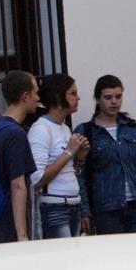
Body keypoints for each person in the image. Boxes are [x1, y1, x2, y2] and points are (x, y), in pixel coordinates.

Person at [76, 75, 136, 234]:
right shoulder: (86, 131)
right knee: (114, 256)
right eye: (108, 97)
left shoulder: (132, 129)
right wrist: (84, 210)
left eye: (118, 97)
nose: (114, 102)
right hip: (106, 210)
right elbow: (80, 175)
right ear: (98, 99)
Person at [0, 70, 39, 244]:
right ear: (25, 96)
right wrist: (22, 235)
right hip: (8, 222)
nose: (37, 97)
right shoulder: (15, 134)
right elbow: (17, 184)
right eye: (35, 92)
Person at [28, 73, 90, 239]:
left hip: (73, 203)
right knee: (63, 260)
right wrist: (69, 151)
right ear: (58, 97)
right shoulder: (40, 129)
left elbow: (70, 171)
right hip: (55, 207)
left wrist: (80, 157)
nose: (78, 97)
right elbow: (38, 178)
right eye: (73, 93)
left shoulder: (65, 128)